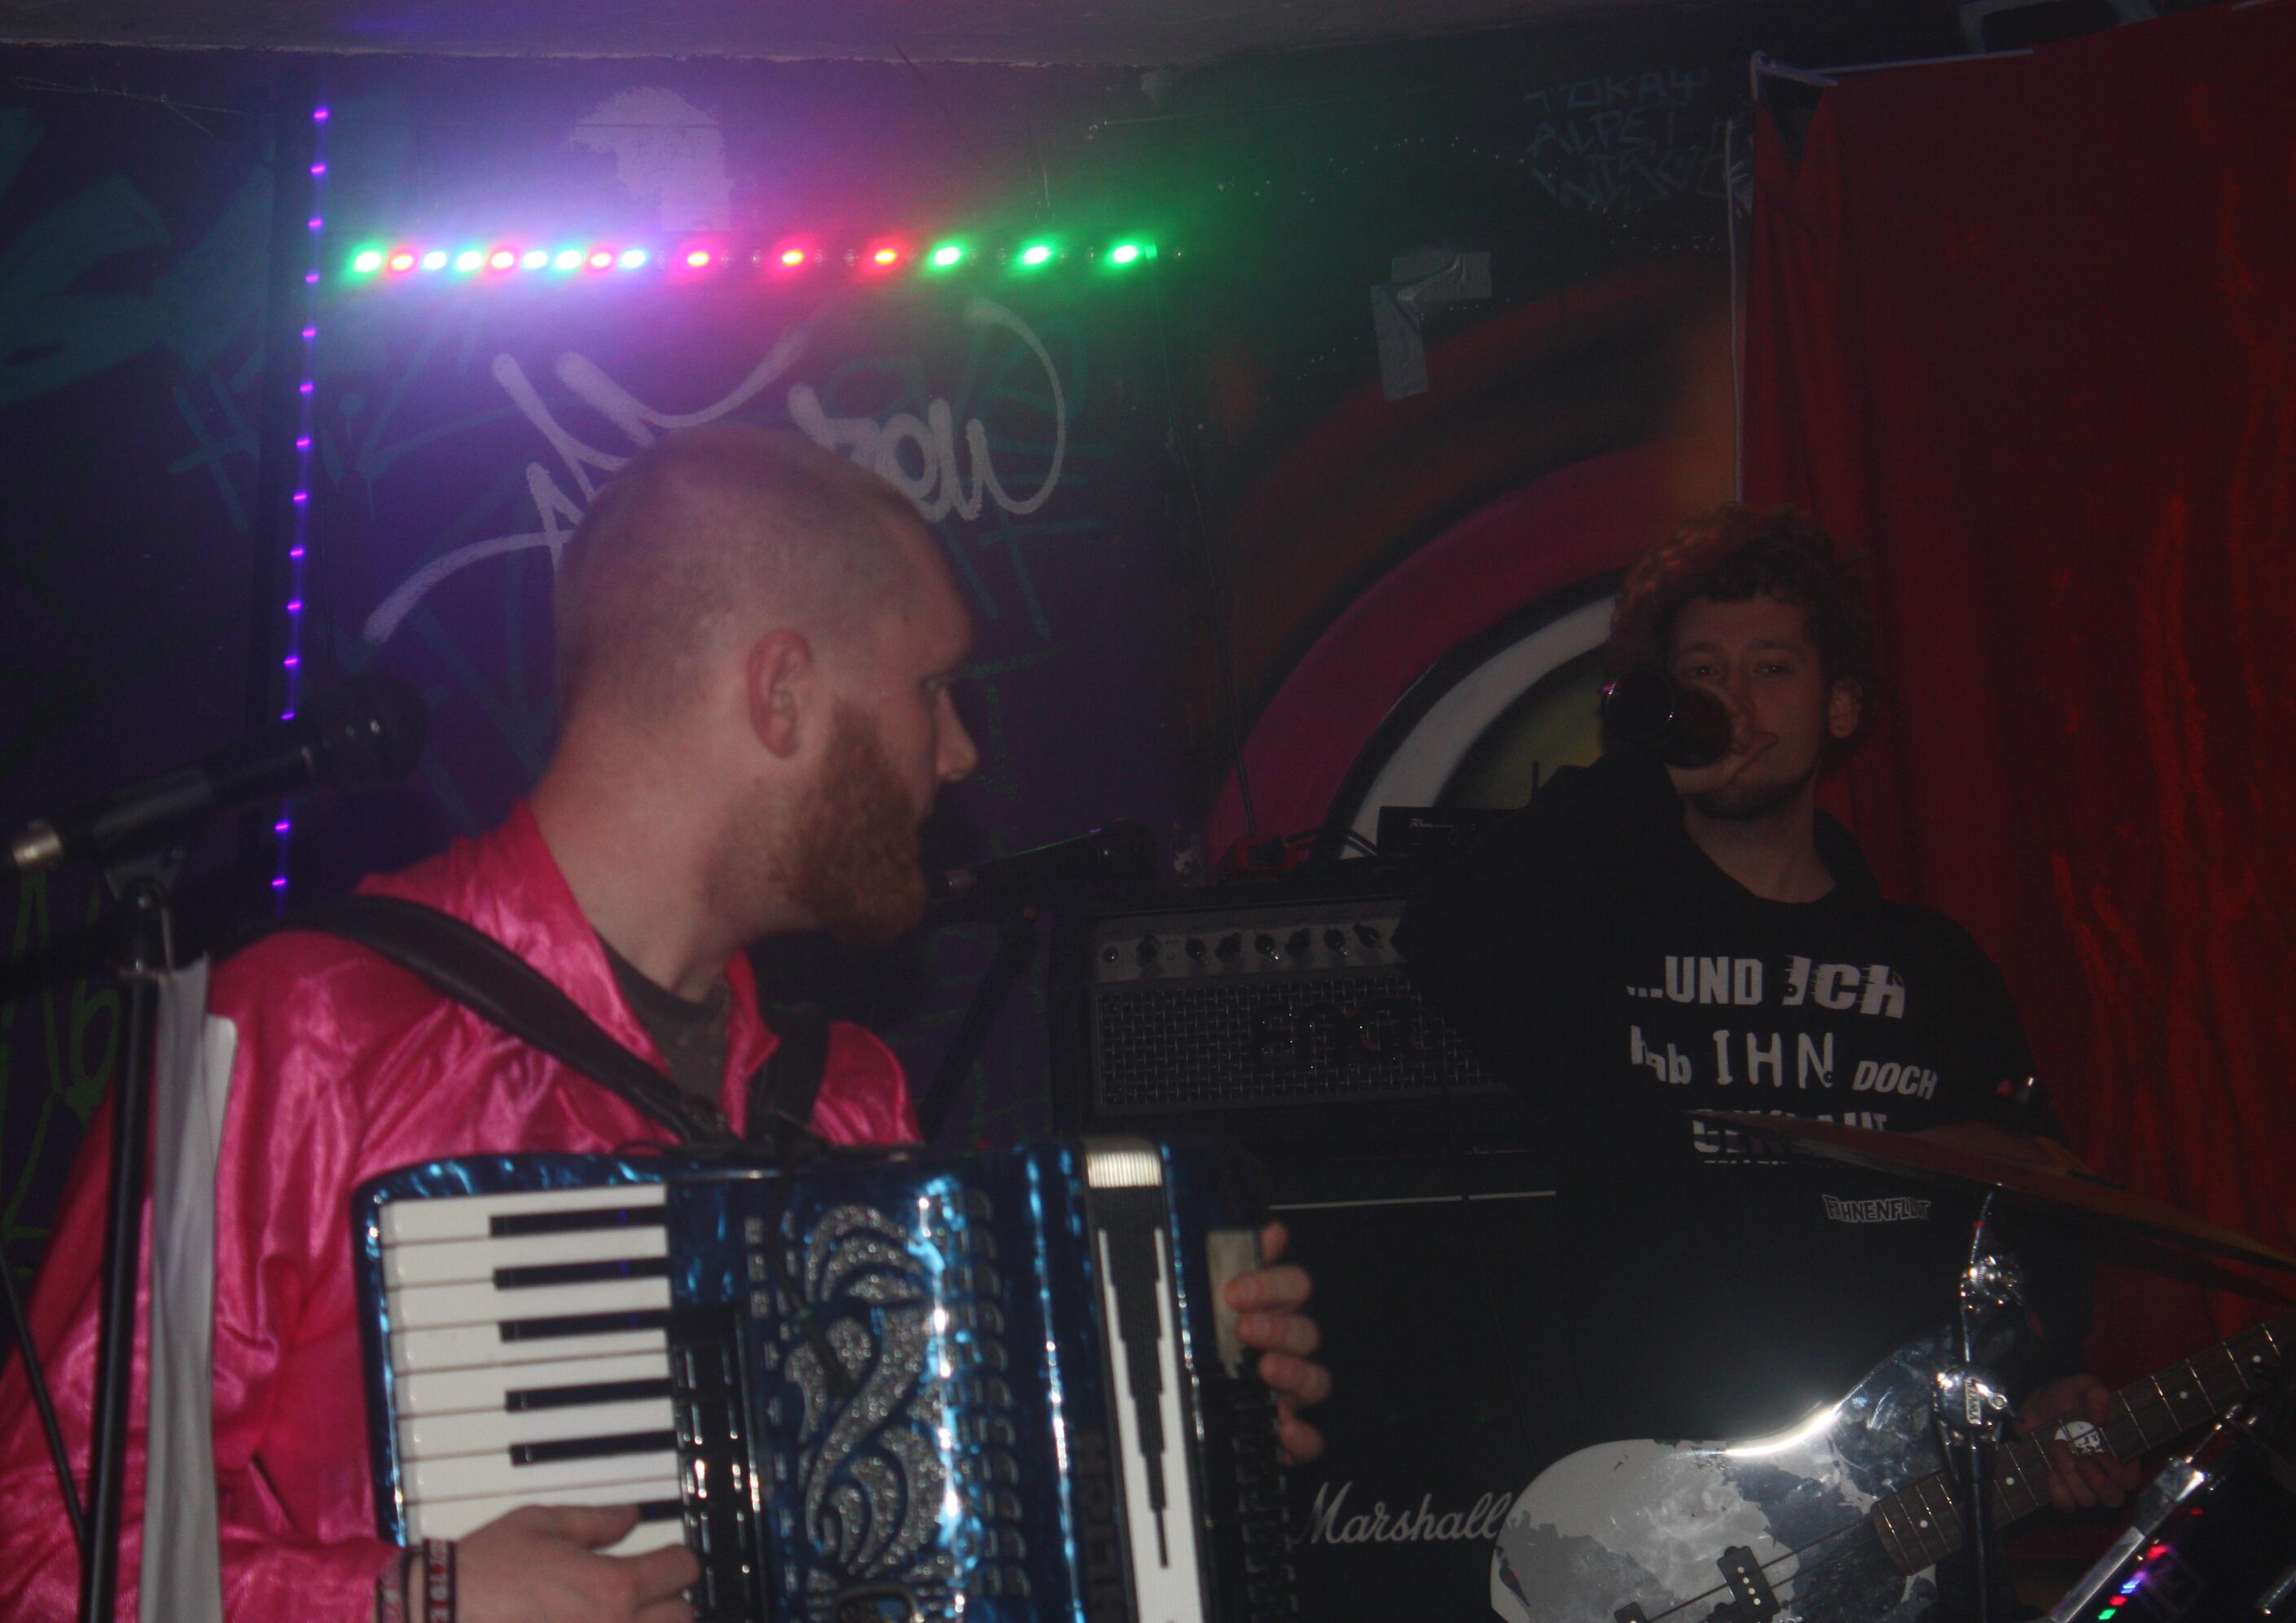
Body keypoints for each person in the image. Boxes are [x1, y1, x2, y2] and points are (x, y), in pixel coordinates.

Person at [0, 425, 1329, 1621]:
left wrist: (1176, 1419)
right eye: (931, 687)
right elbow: (39, 1551)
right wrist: (410, 1603)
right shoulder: (309, 1031)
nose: (960, 751)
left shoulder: (845, 1097)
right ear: (781, 692)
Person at [1397, 505, 2131, 1511]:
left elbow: (2032, 1207)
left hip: (1895, 1505)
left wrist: (2049, 1382)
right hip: (1657, 1512)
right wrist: (1638, 775)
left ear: (1840, 707)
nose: (1732, 701)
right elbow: (1441, 933)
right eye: (1701, 672)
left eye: (1771, 668)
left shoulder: (1932, 966)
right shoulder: (1598, 941)